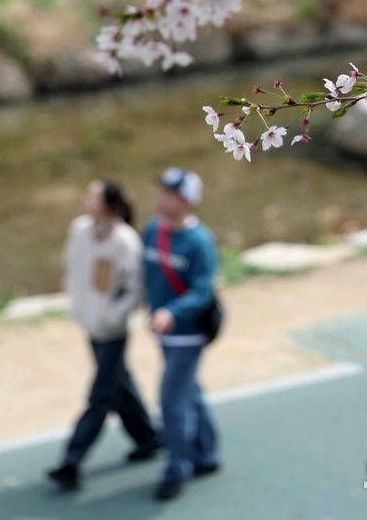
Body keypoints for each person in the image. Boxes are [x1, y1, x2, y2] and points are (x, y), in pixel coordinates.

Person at [47, 179, 161, 491]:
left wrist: (113, 316)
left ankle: (71, 461)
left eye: (92, 197)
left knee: (100, 397)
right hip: (90, 325)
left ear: (109, 205)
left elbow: (135, 289)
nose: (85, 201)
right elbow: (72, 268)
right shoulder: (80, 230)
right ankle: (148, 438)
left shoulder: (125, 241)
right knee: (118, 385)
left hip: (112, 331)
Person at [143, 167, 221, 501]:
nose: (162, 197)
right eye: (162, 190)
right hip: (162, 333)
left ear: (186, 201)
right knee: (190, 392)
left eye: (170, 193)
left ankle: (178, 467)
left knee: (171, 400)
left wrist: (171, 312)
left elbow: (203, 291)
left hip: (187, 335)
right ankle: (207, 454)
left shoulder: (199, 241)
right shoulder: (151, 232)